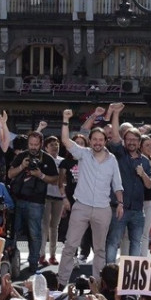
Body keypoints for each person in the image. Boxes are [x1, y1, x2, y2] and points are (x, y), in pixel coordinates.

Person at [58, 109, 123, 287]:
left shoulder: (112, 160)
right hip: (81, 206)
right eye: (94, 139)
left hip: (103, 208)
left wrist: (120, 203)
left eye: (100, 140)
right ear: (90, 141)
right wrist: (65, 119)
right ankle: (61, 282)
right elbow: (65, 140)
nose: (97, 142)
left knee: (100, 250)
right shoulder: (83, 154)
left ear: (105, 141)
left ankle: (99, 286)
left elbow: (117, 184)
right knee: (70, 246)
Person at [7, 130, 58, 277]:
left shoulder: (47, 159)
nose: (33, 147)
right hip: (18, 199)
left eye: (36, 144)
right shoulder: (22, 156)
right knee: (14, 232)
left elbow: (55, 179)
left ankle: (34, 263)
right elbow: (10, 174)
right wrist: (22, 166)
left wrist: (40, 175)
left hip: (37, 201)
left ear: (41, 144)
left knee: (35, 234)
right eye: (31, 144)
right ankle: (12, 261)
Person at [105, 103, 151, 262]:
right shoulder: (119, 154)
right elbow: (115, 136)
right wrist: (116, 113)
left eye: (135, 140)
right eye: (129, 139)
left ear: (139, 142)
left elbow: (149, 185)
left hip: (138, 210)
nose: (131, 142)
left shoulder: (145, 161)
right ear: (125, 141)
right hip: (120, 208)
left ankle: (131, 275)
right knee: (113, 241)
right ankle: (109, 272)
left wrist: (143, 174)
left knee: (136, 243)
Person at [59, 134, 93, 264]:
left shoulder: (90, 161)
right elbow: (61, 183)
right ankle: (72, 255)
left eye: (81, 143)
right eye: (76, 143)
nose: (78, 145)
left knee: (87, 228)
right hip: (71, 199)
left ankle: (85, 253)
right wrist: (64, 199)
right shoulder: (65, 162)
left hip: (87, 200)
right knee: (70, 229)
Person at [39, 134, 64, 267]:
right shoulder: (44, 159)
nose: (55, 147)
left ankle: (53, 255)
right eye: (52, 145)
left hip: (59, 197)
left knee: (54, 227)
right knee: (44, 226)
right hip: (46, 196)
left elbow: (64, 179)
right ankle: (41, 254)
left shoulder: (62, 161)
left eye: (56, 144)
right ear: (46, 148)